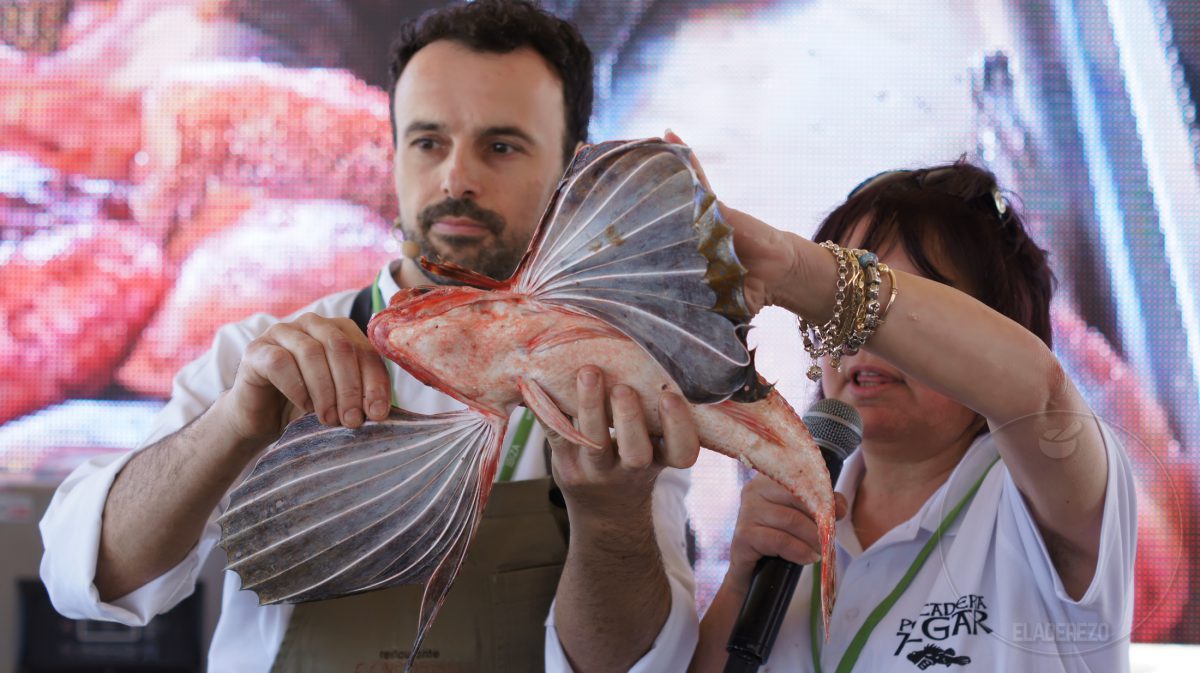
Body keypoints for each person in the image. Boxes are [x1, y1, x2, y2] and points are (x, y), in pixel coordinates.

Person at [39, 2, 699, 672]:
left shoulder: (614, 384)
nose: (456, 178)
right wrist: (231, 426)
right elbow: (87, 576)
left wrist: (613, 521)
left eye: (501, 146)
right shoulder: (262, 356)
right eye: (428, 142)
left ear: (574, 172)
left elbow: (645, 663)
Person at [682, 155, 1136, 671]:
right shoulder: (788, 515)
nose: (861, 339)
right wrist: (743, 575)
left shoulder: (1043, 497)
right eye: (838, 309)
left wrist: (792, 267)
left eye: (897, 314)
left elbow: (1037, 389)